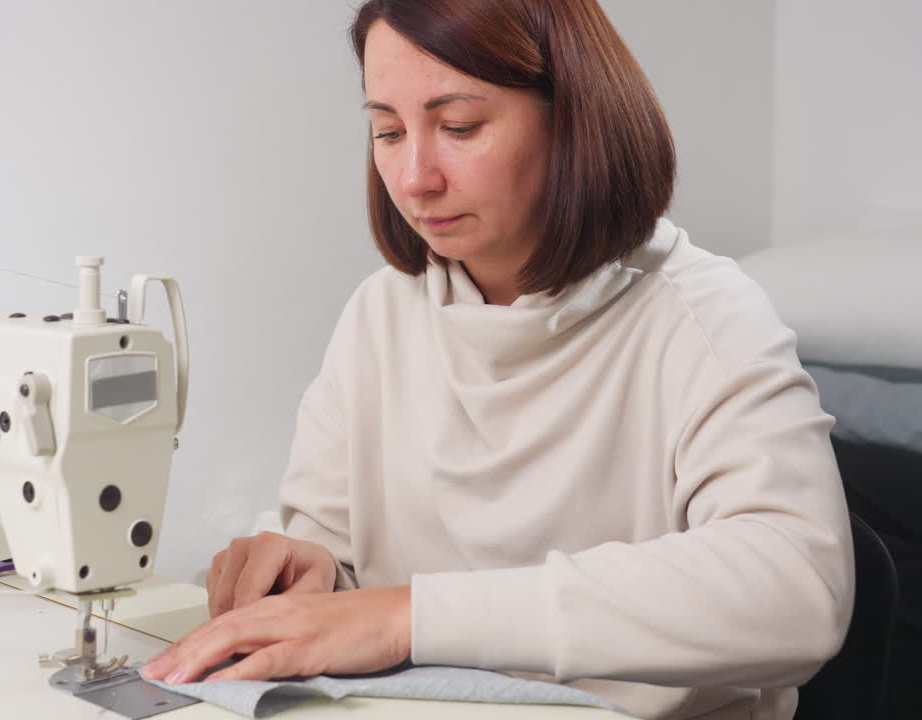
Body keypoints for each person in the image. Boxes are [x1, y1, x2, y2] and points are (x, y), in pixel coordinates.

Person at [142, 1, 854, 718]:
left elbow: (798, 589)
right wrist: (315, 570)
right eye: (387, 131)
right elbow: (334, 545)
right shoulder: (380, 314)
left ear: (575, 121)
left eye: (459, 127)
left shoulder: (700, 315)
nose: (415, 177)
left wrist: (408, 618)